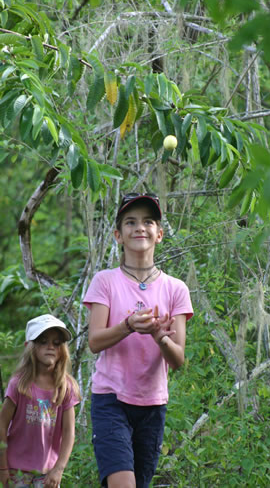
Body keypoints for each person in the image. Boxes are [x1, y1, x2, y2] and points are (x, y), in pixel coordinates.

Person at [83, 193, 193, 488]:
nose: (139, 228)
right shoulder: (104, 281)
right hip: (111, 400)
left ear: (159, 233)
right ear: (119, 235)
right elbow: (95, 341)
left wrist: (160, 338)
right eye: (130, 222)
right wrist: (129, 325)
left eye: (148, 221)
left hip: (153, 403)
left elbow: (178, 359)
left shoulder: (176, 289)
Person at [0, 314, 81, 488]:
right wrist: (3, 468)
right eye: (43, 341)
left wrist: (58, 469)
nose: (50, 347)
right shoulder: (19, 384)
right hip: (17, 472)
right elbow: (2, 423)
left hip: (47, 474)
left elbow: (69, 432)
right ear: (29, 346)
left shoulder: (65, 387)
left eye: (56, 343)